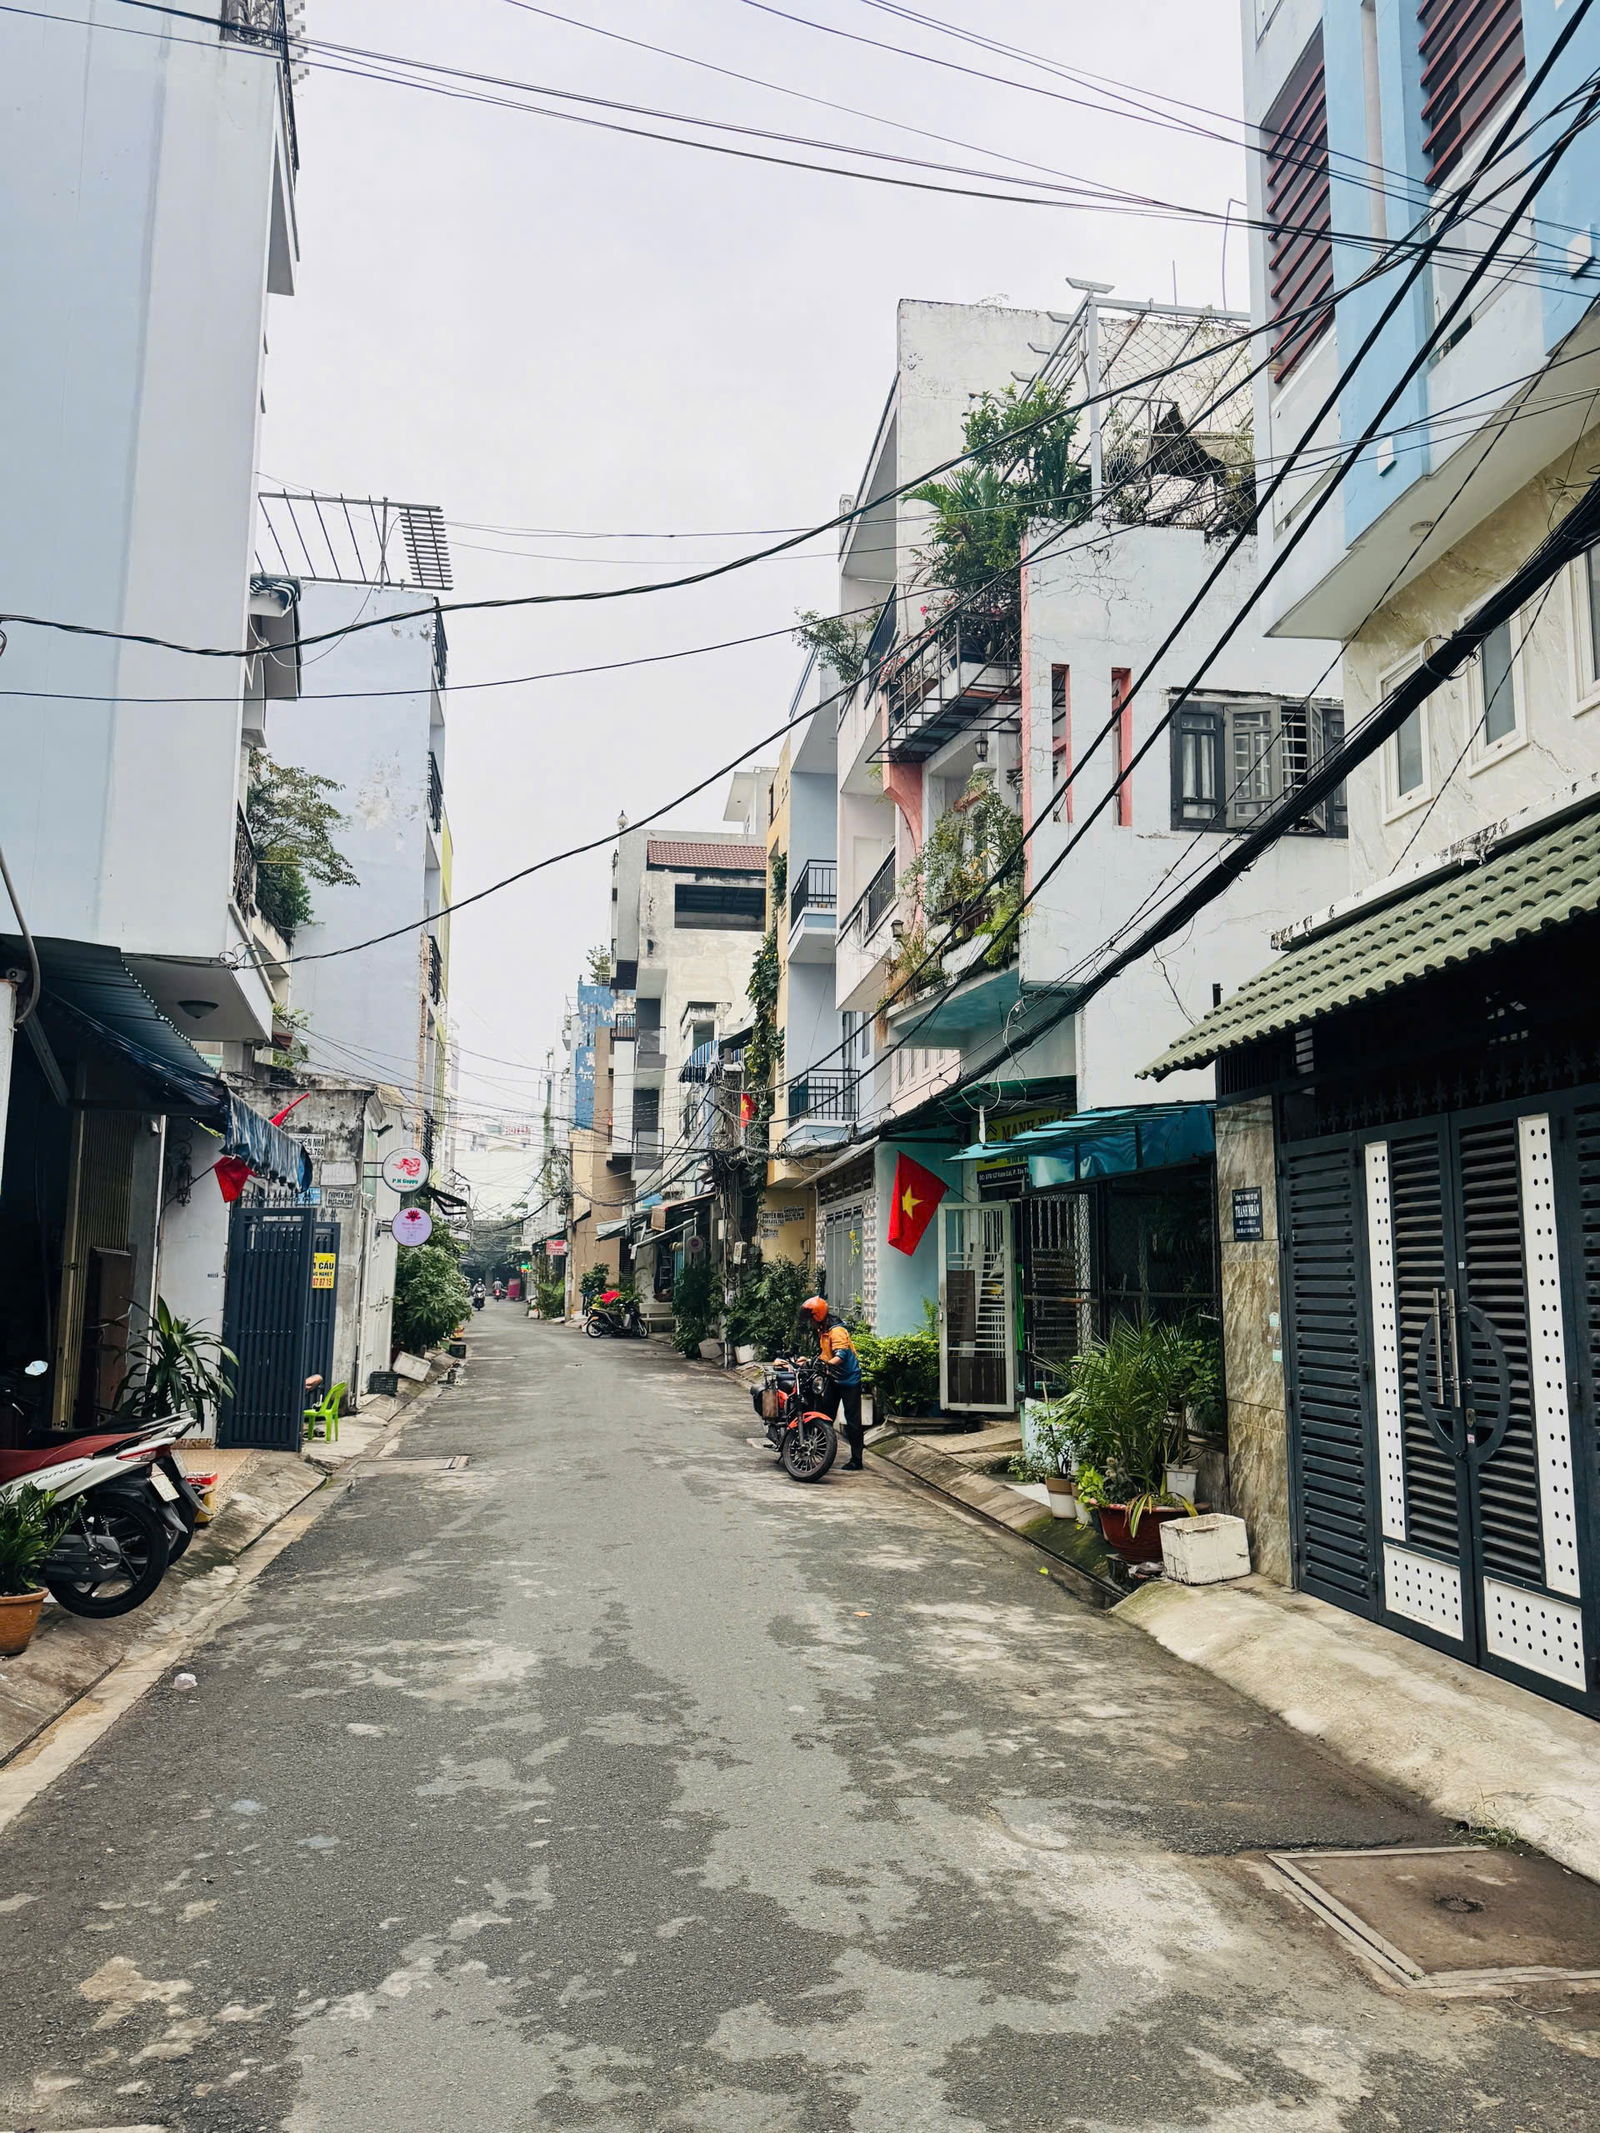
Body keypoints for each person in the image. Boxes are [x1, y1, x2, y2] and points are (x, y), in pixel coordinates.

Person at [800, 1295, 864, 1470]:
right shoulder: (824, 1330)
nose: (810, 1323)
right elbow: (826, 1354)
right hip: (833, 1378)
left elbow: (839, 1356)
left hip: (849, 1380)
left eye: (811, 1319)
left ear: (818, 1316)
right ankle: (822, 1452)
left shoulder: (837, 1331)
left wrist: (825, 1365)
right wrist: (810, 1361)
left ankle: (857, 1460)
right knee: (824, 1414)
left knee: (852, 1421)